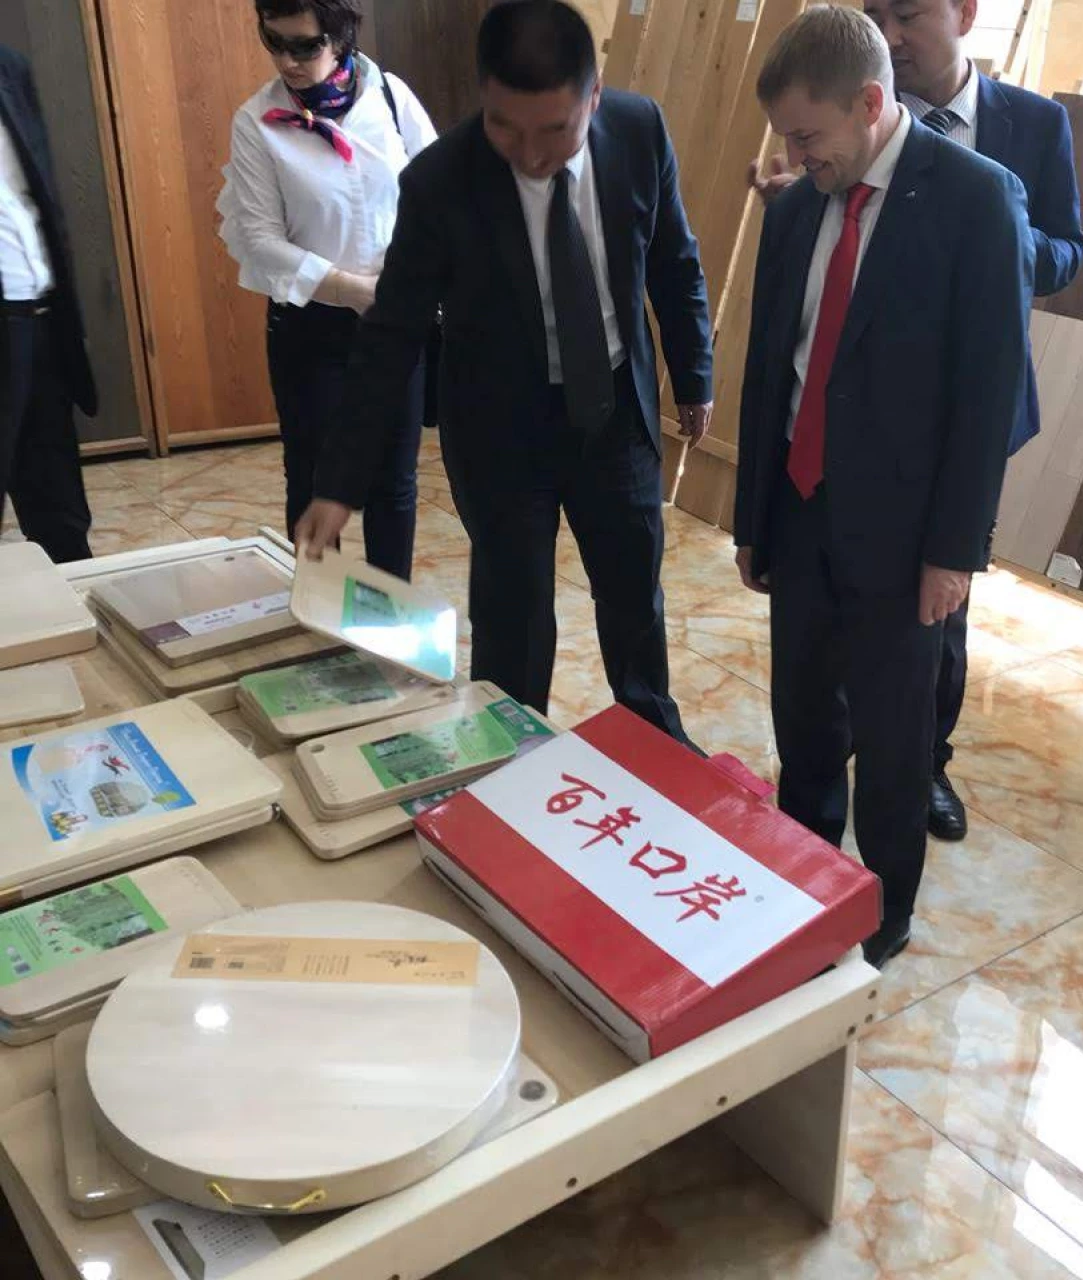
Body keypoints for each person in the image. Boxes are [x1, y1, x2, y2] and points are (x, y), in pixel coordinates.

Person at [296, 0, 714, 742]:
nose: (530, 154)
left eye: (554, 129)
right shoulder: (440, 182)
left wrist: (694, 375)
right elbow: (390, 336)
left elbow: (673, 261)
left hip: (613, 408)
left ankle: (655, 745)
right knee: (513, 617)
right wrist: (339, 481)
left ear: (593, 95)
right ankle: (508, 755)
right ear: (483, 95)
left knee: (632, 599)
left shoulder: (640, 130)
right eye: (504, 127)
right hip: (500, 431)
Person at [734, 5, 1033, 967]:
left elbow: (987, 393)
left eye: (808, 135)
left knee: (896, 740)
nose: (795, 156)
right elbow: (770, 372)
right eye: (786, 137)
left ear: (870, 104)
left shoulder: (976, 199)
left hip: (906, 538)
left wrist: (955, 553)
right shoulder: (796, 209)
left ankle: (883, 907)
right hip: (802, 510)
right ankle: (802, 879)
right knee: (802, 718)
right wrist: (753, 519)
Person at [218, 0, 436, 581]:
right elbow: (261, 240)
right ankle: (319, 613)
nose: (287, 61)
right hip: (311, 327)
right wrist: (352, 290)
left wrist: (414, 281)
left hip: (394, 322)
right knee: (314, 478)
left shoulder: (391, 98)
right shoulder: (256, 122)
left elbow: (437, 194)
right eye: (274, 42)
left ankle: (390, 615)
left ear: (340, 38)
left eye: (304, 46)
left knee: (394, 482)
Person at [0, 44, 97, 564]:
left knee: (59, 507)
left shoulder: (8, 67)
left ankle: (72, 593)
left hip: (37, 315)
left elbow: (36, 194)